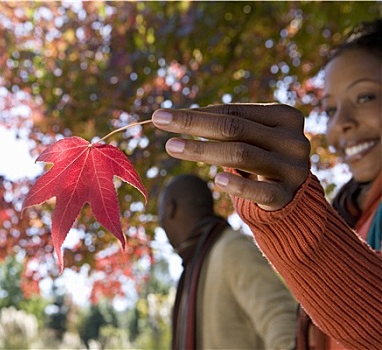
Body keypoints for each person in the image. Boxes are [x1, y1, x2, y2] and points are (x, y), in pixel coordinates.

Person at [151, 19, 381, 350]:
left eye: (365, 97)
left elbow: (283, 324)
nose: (341, 124)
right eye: (330, 109)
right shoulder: (348, 215)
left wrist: (293, 217)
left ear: (171, 210)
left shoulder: (230, 251)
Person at [158, 174, 298, 350]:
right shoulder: (195, 266)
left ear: (171, 208)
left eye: (160, 214)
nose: (161, 223)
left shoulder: (231, 248)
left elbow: (281, 320)